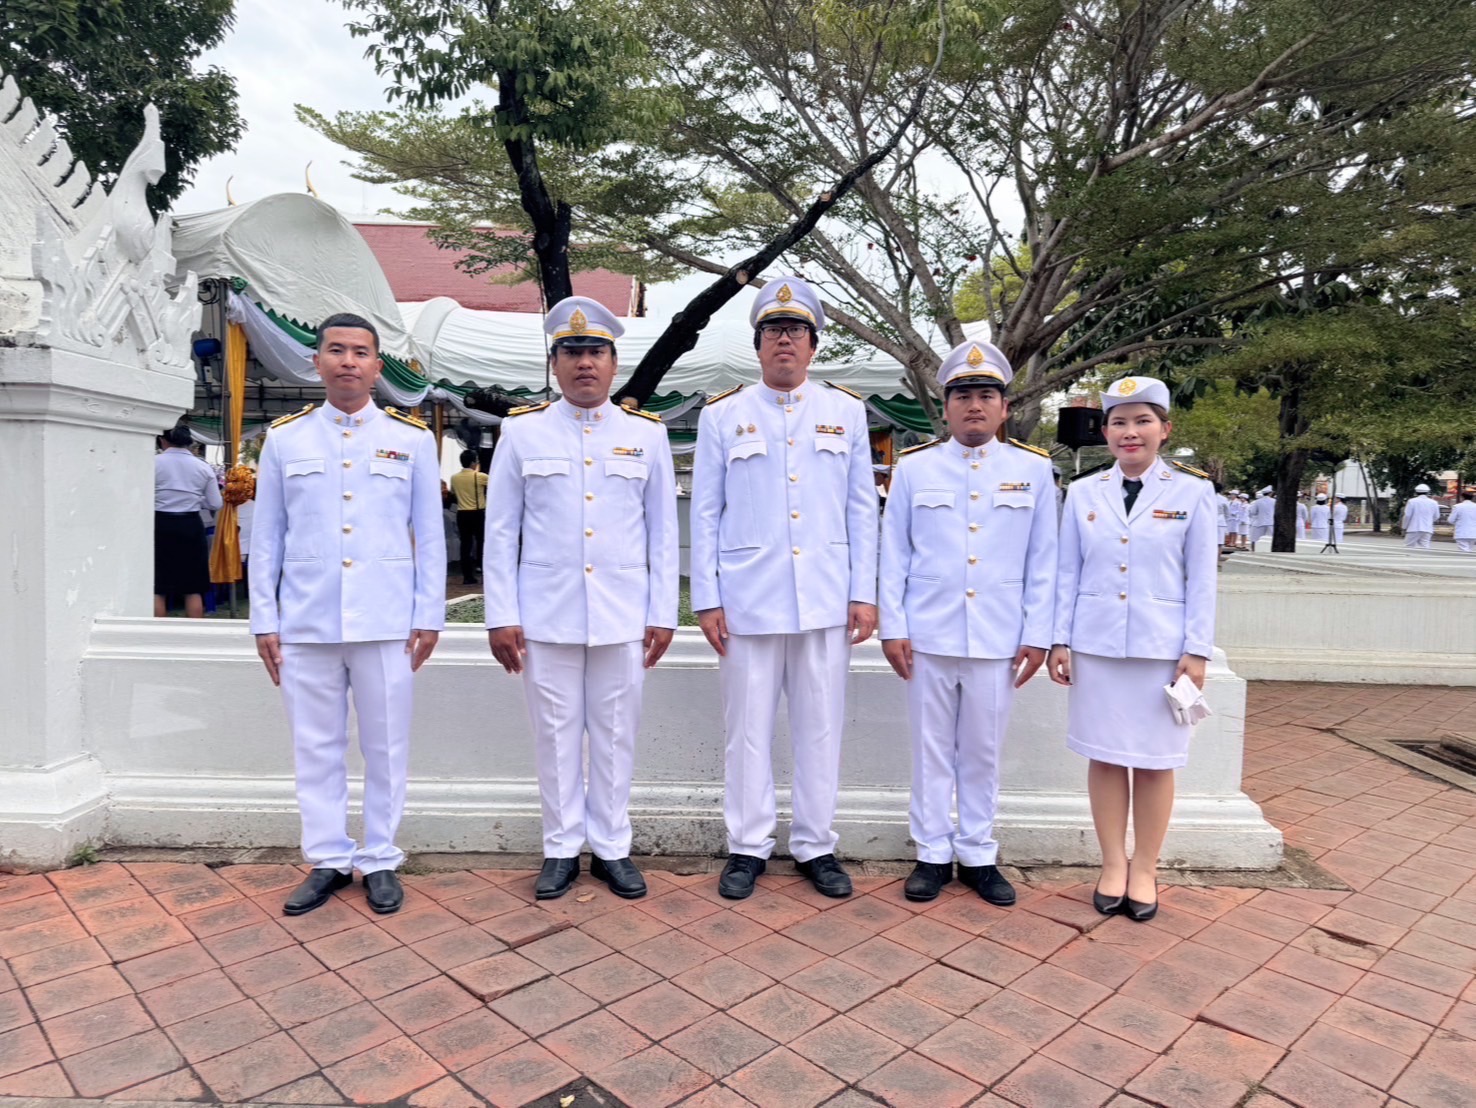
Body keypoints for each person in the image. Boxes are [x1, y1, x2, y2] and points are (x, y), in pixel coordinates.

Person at [250, 313, 446, 917]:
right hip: (306, 618)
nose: (348, 362)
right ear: (318, 361)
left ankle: (382, 856)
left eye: (361, 352)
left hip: (386, 619)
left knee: (387, 744)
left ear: (377, 366)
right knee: (316, 745)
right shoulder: (285, 440)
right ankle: (329, 857)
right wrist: (265, 620)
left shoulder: (411, 440)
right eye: (336, 350)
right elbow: (268, 536)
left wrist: (429, 615)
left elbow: (429, 537)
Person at [690, 276, 878, 900]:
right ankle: (747, 846)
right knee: (745, 727)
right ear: (758, 344)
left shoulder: (846, 413)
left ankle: (816, 845)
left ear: (814, 345)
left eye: (796, 331)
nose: (784, 341)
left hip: (825, 595)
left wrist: (864, 592)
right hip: (747, 598)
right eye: (773, 331)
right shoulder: (723, 414)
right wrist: (707, 597)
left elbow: (860, 510)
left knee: (820, 726)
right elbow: (706, 512)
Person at [483, 297, 678, 900]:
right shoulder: (521, 431)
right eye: (572, 353)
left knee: (617, 733)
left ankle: (613, 848)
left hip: (623, 611)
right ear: (555, 363)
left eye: (595, 352)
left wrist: (662, 613)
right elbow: (501, 531)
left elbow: (663, 533)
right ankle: (562, 847)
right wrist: (501, 614)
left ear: (614, 363)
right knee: (556, 734)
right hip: (546, 612)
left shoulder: (646, 436)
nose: (584, 364)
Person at [879, 340, 1056, 906]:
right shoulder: (914, 468)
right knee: (930, 749)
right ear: (946, 406)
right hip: (928, 634)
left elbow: (1044, 560)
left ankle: (978, 852)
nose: (973, 405)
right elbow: (895, 554)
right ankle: (931, 852)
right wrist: (893, 626)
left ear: (1004, 408)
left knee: (982, 751)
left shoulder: (1033, 470)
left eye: (986, 395)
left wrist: (1037, 634)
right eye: (962, 396)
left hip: (1000, 635)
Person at [1047, 376, 1217, 923]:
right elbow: (1066, 572)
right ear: (1104, 431)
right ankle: (1111, 865)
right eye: (1119, 422)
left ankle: (1145, 868)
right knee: (1104, 755)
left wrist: (1197, 650)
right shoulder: (1084, 492)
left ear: (1164, 430)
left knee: (1154, 763)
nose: (1130, 432)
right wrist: (1060, 639)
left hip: (1161, 651)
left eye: (1143, 420)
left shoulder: (1193, 492)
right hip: (1096, 645)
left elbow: (1202, 578)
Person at [154, 426, 223, 618]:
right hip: (190, 524)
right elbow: (216, 503)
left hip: (159, 523)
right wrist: (195, 498)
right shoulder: (202, 467)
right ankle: (197, 633)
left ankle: (156, 636)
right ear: (190, 442)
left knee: (157, 585)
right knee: (193, 586)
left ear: (162, 440)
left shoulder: (152, 462)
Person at [449, 449, 489, 585]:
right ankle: (482, 568)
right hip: (477, 513)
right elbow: (495, 485)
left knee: (465, 545)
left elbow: (453, 493)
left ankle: (467, 576)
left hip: (462, 513)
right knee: (481, 542)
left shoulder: (454, 478)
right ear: (473, 462)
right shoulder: (480, 476)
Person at [1403, 484, 1439, 548]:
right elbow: (1436, 516)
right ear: (1428, 492)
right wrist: (1429, 521)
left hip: (1413, 528)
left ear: (1416, 492)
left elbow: (1407, 515)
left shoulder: (1412, 501)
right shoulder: (1434, 502)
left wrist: (1404, 527)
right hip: (1427, 529)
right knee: (1425, 547)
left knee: (1408, 546)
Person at [1214, 483, 1230, 550]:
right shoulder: (1223, 499)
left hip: (1209, 522)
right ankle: (1217, 558)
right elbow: (1227, 512)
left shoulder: (1206, 497)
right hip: (1220, 521)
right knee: (1219, 543)